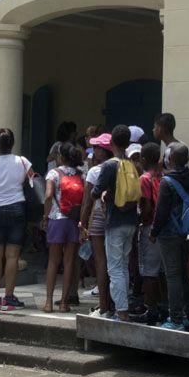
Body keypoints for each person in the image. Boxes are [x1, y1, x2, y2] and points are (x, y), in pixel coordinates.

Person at [86, 125, 139, 321]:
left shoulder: (110, 165)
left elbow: (94, 192)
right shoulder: (132, 164)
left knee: (115, 268)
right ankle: (121, 309)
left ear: (111, 143)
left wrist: (105, 193)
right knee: (123, 267)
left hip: (114, 221)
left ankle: (121, 312)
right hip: (131, 221)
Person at [0, 127, 33, 311]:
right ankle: (9, 296)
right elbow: (33, 180)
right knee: (13, 256)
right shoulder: (22, 161)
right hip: (17, 208)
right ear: (12, 144)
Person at [151, 142, 189, 332]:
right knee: (183, 274)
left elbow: (161, 212)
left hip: (169, 234)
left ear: (170, 159)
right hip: (187, 232)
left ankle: (176, 319)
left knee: (172, 275)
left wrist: (154, 232)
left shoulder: (167, 182)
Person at [42, 143, 84, 312]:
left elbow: (48, 195)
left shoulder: (54, 173)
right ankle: (64, 303)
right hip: (73, 221)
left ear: (61, 157)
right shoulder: (81, 174)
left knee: (53, 261)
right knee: (69, 262)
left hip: (56, 219)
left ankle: (48, 302)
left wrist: (45, 216)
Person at [79, 132, 116, 317]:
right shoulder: (120, 166)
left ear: (105, 151)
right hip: (116, 217)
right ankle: (115, 305)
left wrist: (82, 223)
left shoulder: (95, 171)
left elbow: (87, 201)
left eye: (97, 148)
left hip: (99, 217)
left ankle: (104, 306)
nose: (94, 151)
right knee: (115, 263)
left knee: (101, 261)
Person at [136, 140, 167, 324]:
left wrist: (139, 221)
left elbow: (146, 207)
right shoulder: (164, 177)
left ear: (143, 158)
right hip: (164, 228)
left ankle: (151, 309)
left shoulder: (145, 179)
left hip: (150, 227)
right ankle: (165, 306)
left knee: (149, 271)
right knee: (162, 271)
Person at [153, 112, 189, 186]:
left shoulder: (171, 150)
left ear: (159, 129)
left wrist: (161, 169)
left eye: (155, 127)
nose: (153, 130)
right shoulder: (181, 144)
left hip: (178, 192)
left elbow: (176, 174)